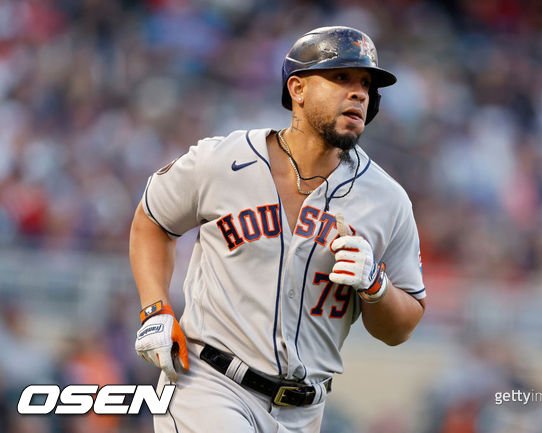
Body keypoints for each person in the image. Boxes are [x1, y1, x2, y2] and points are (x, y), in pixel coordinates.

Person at [129, 26, 426, 433]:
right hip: (211, 385)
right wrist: (155, 308)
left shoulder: (387, 200)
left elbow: (402, 325)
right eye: (342, 78)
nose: (359, 93)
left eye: (366, 84)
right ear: (298, 89)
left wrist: (375, 285)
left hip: (305, 412)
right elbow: (152, 221)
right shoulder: (222, 161)